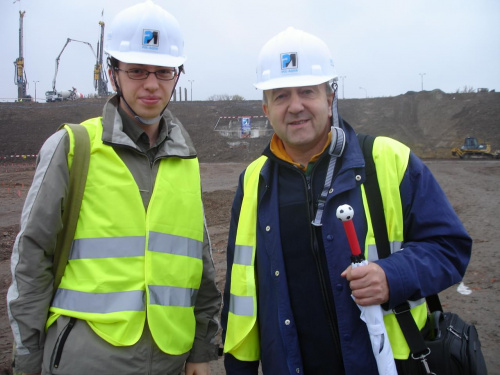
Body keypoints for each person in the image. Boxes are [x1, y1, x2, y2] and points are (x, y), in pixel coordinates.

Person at [221, 27, 472, 374]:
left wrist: (391, 275)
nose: (295, 106)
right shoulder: (254, 180)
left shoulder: (387, 160)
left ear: (330, 96)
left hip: (386, 364)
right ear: (266, 108)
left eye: (307, 91)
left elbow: (450, 247)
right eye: (280, 95)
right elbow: (239, 289)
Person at [7, 2, 221, 374]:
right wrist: (26, 360)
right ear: (113, 73)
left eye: (163, 71)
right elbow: (31, 259)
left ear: (177, 74)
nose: (152, 84)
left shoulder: (187, 159)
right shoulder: (74, 148)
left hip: (171, 359)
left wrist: (201, 350)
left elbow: (200, 264)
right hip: (88, 361)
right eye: (137, 70)